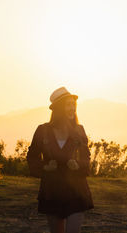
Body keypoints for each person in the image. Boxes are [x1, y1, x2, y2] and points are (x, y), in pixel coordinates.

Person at [27, 87, 94, 233]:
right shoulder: (42, 130)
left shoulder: (79, 130)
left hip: (76, 191)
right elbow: (32, 158)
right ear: (58, 108)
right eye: (68, 105)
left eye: (73, 105)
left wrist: (78, 165)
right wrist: (45, 167)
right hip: (52, 192)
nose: (72, 108)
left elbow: (86, 158)